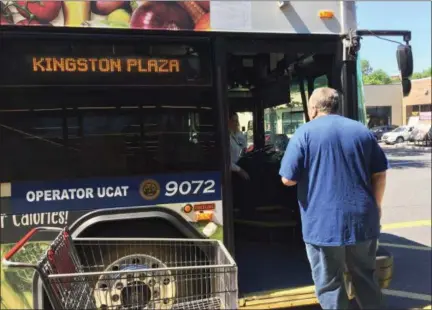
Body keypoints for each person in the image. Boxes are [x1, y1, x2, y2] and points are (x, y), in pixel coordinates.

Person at [279, 87, 388, 309]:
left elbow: (287, 180)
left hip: (322, 224)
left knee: (329, 283)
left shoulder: (304, 133)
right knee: (366, 277)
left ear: (313, 109)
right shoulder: (361, 131)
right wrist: (376, 206)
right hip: (363, 220)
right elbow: (380, 173)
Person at [229, 111, 249, 180]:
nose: (236, 123)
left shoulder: (236, 135)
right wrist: (240, 170)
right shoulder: (225, 138)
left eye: (237, 121)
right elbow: (226, 162)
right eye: (233, 121)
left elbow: (244, 147)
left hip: (239, 165)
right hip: (232, 171)